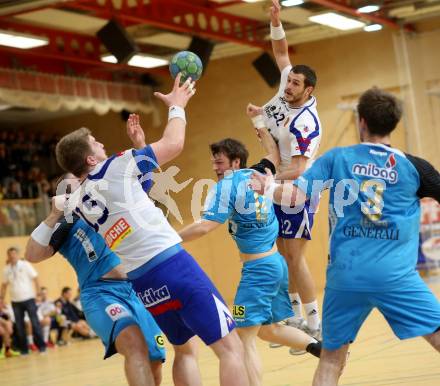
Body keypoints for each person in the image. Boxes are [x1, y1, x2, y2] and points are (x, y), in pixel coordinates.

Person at [54, 74, 249, 386]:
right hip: (173, 266)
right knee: (230, 347)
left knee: (184, 351)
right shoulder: (116, 165)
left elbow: (137, 194)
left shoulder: (79, 200)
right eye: (96, 142)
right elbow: (174, 144)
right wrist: (177, 106)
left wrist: (141, 147)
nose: (102, 142)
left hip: (144, 282)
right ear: (91, 158)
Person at [251, 87, 440, 385]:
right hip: (395, 277)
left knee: (331, 361)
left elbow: (296, 198)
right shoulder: (415, 167)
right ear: (393, 124)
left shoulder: (337, 158)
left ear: (361, 121)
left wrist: (268, 188)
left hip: (345, 277)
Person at [178, 106, 321, 386]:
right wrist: (258, 122)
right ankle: (324, 350)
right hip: (276, 266)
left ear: (234, 163)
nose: (214, 167)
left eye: (219, 162)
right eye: (213, 161)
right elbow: (273, 153)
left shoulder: (225, 187)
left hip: (257, 271)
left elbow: (205, 226)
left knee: (242, 339)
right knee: (269, 331)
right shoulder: (259, 176)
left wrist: (172, 238)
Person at [25, 187, 165, 386]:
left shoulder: (107, 207)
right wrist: (53, 215)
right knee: (134, 345)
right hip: (101, 293)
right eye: (72, 187)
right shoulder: (68, 221)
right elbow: (32, 255)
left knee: (154, 358)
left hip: (136, 290)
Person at [250, 0, 323, 339]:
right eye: (289, 81)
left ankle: (314, 322)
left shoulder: (305, 123)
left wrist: (267, 179)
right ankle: (294, 314)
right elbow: (280, 52)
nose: (288, 86)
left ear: (308, 90)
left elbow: (296, 170)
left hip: (298, 190)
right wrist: (276, 21)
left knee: (294, 257)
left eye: (295, 84)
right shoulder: (286, 86)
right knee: (281, 252)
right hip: (279, 184)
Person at [0, 247, 46, 354]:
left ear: (17, 254)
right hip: (15, 301)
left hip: (29, 298)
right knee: (20, 326)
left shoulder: (25, 265)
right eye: (10, 254)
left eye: (14, 254)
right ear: (8, 256)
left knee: (35, 323)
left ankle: (42, 347)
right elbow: (4, 285)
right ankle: (24, 350)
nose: (12, 256)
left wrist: (39, 293)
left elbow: (35, 278)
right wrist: (1, 298)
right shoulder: (6, 270)